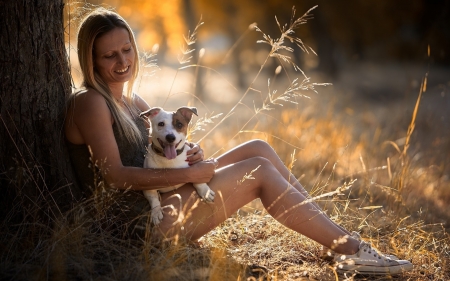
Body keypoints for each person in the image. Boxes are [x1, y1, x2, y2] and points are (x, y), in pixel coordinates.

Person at [64, 7, 413, 276]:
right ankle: (352, 250)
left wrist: (190, 157)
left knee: (258, 148)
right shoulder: (91, 102)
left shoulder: (135, 102)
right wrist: (191, 176)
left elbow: (163, 150)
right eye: (110, 56)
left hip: (166, 200)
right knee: (257, 170)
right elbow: (115, 177)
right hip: (137, 226)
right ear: (90, 59)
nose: (123, 61)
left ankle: (338, 242)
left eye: (127, 49)